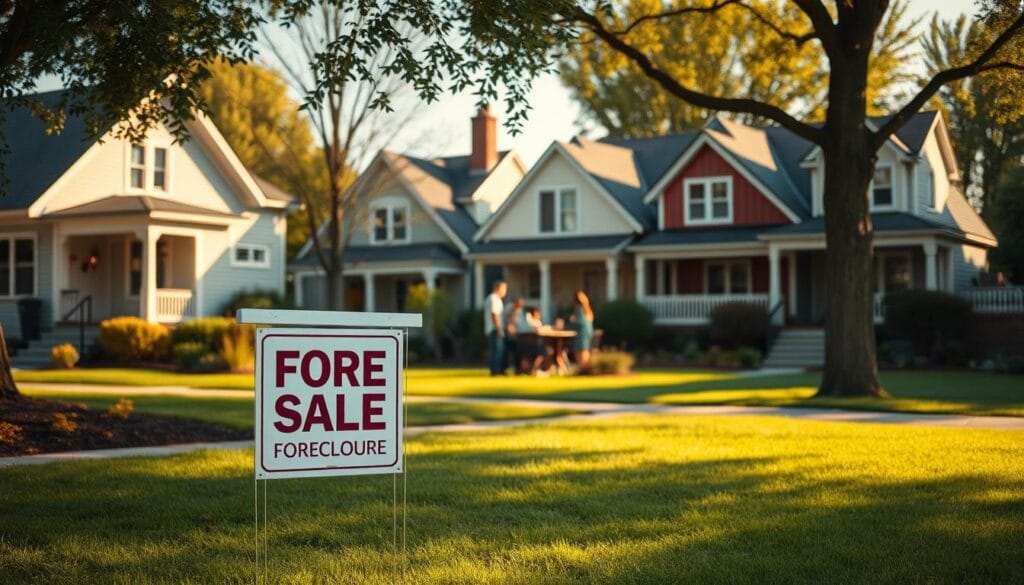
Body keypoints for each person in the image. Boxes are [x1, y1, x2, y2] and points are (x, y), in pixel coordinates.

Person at [484, 280, 508, 376]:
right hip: (495, 329)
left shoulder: (493, 299)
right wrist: (499, 329)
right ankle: (496, 371)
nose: (505, 291)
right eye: (504, 289)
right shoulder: (494, 299)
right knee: (497, 351)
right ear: (498, 288)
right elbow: (495, 315)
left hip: (493, 329)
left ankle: (498, 370)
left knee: (497, 350)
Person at [571, 289, 595, 368]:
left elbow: (580, 322)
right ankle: (584, 367)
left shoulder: (579, 309)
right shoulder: (586, 308)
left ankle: (582, 367)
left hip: (582, 332)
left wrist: (572, 321)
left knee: (581, 350)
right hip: (588, 331)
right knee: (584, 349)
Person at [505, 298, 525, 373]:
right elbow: (508, 321)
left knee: (518, 352)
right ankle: (507, 368)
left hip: (518, 334)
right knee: (510, 353)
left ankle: (519, 369)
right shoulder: (510, 309)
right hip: (511, 336)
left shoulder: (519, 311)